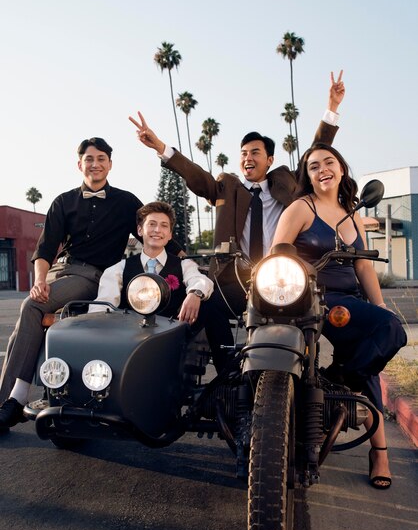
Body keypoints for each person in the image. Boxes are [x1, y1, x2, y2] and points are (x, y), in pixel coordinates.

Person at [129, 71, 345, 347]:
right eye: (243, 153)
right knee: (208, 308)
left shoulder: (287, 183)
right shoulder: (227, 187)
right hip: (236, 276)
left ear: (269, 159)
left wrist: (332, 109)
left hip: (283, 274)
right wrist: (160, 146)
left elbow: (317, 151)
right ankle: (227, 373)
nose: (247, 158)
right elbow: (197, 176)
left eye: (255, 153)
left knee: (306, 314)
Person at [0, 137, 182, 432]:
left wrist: (184, 260)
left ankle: (15, 400)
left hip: (93, 276)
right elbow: (45, 250)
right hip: (61, 271)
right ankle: (6, 403)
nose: (95, 164)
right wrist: (40, 281)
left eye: (101, 159)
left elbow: (154, 230)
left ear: (110, 164)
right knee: (25, 323)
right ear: (79, 164)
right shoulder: (63, 201)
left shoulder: (126, 202)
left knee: (31, 307)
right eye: (89, 159)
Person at [270, 142, 407, 489]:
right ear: (308, 176)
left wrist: (378, 305)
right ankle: (380, 449)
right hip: (314, 296)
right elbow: (278, 252)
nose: (322, 169)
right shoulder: (301, 208)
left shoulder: (352, 211)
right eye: (314, 166)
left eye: (328, 162)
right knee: (372, 356)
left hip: (351, 299)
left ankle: (343, 380)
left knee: (387, 330)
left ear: (342, 168)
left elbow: (363, 265)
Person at [89, 201, 230, 372]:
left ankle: (227, 373)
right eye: (152, 224)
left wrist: (195, 293)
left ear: (170, 234)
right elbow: (104, 304)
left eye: (164, 226)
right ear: (140, 230)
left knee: (212, 300)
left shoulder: (183, 265)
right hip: (131, 337)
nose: (157, 230)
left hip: (174, 334)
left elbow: (200, 280)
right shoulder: (119, 269)